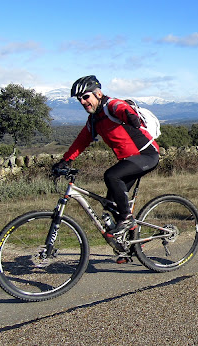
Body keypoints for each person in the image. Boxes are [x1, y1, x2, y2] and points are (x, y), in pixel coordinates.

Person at [53, 75, 159, 239]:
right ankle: (131, 246)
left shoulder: (111, 106)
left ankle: (127, 219)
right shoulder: (94, 119)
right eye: (79, 99)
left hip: (146, 154)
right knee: (111, 205)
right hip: (128, 161)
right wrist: (65, 160)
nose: (82, 102)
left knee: (111, 175)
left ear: (98, 94)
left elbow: (121, 107)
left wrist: (130, 116)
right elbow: (81, 141)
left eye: (85, 97)